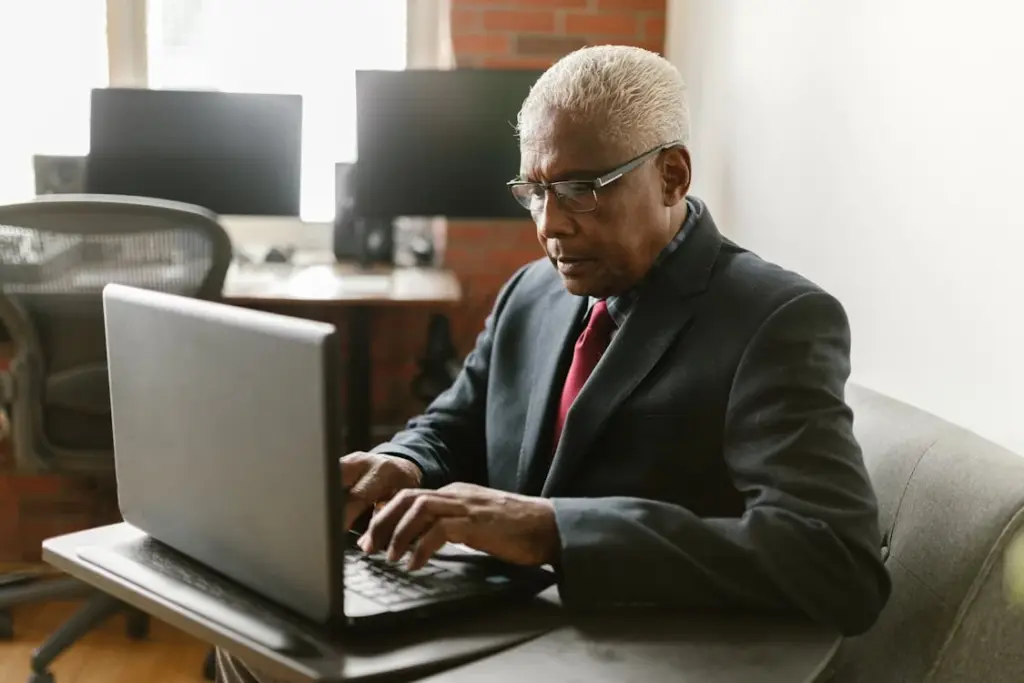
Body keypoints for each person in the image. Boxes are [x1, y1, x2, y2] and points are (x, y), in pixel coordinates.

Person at [217, 45, 890, 682]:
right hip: (497, 622)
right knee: (252, 634)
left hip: (632, 652)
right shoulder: (530, 291)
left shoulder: (776, 319)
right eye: (534, 190)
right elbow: (456, 422)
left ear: (672, 174)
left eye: (580, 188)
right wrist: (404, 462)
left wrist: (555, 529)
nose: (549, 225)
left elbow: (834, 560)